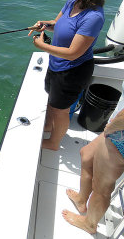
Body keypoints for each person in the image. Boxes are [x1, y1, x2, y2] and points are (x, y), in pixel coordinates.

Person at [28, 0, 109, 150]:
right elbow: (58, 22)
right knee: (51, 99)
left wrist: (42, 46)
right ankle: (48, 126)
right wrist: (45, 24)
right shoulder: (73, 1)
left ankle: (53, 143)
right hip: (56, 64)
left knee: (60, 110)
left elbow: (73, 54)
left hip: (72, 71)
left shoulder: (94, 17)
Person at [62, 80, 124, 234]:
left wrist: (112, 128)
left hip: (119, 134)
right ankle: (82, 200)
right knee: (87, 154)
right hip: (117, 128)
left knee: (101, 187)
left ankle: (90, 224)